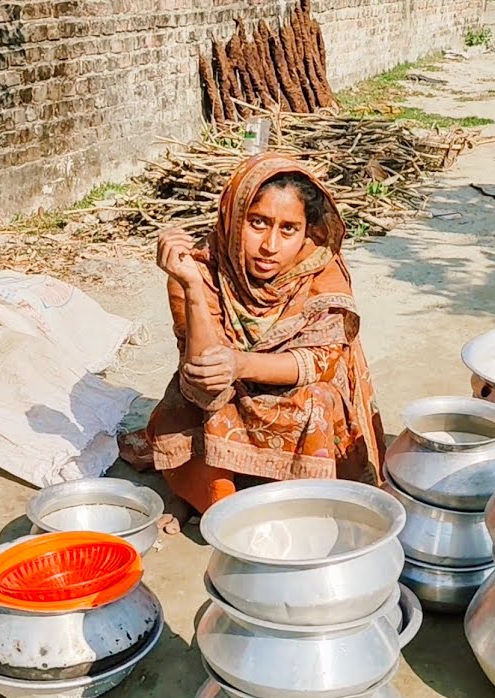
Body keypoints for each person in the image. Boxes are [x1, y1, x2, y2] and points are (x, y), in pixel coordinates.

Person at [133, 152, 386, 531]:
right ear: (234, 217)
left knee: (318, 400)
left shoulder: (320, 271)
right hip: (222, 393)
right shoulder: (199, 267)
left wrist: (241, 363)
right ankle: (202, 492)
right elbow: (205, 379)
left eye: (289, 229)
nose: (270, 245)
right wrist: (192, 287)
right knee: (208, 396)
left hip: (296, 391)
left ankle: (297, 497)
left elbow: (320, 364)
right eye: (258, 223)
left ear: (307, 231)